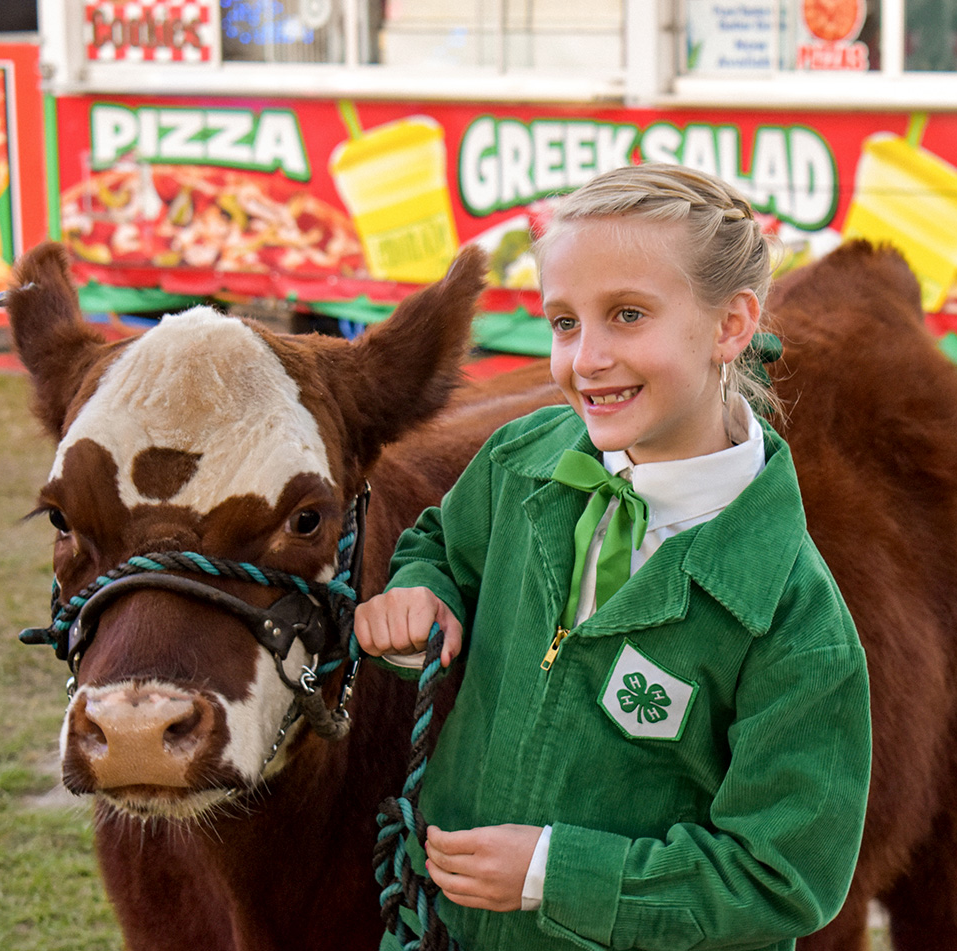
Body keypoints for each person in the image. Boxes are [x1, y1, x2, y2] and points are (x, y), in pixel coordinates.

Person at [354, 163, 871, 951]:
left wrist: (554, 873)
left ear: (731, 325)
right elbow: (440, 547)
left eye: (626, 315)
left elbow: (781, 877)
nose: (584, 359)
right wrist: (421, 591)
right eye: (563, 322)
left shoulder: (795, 624)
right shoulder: (520, 460)